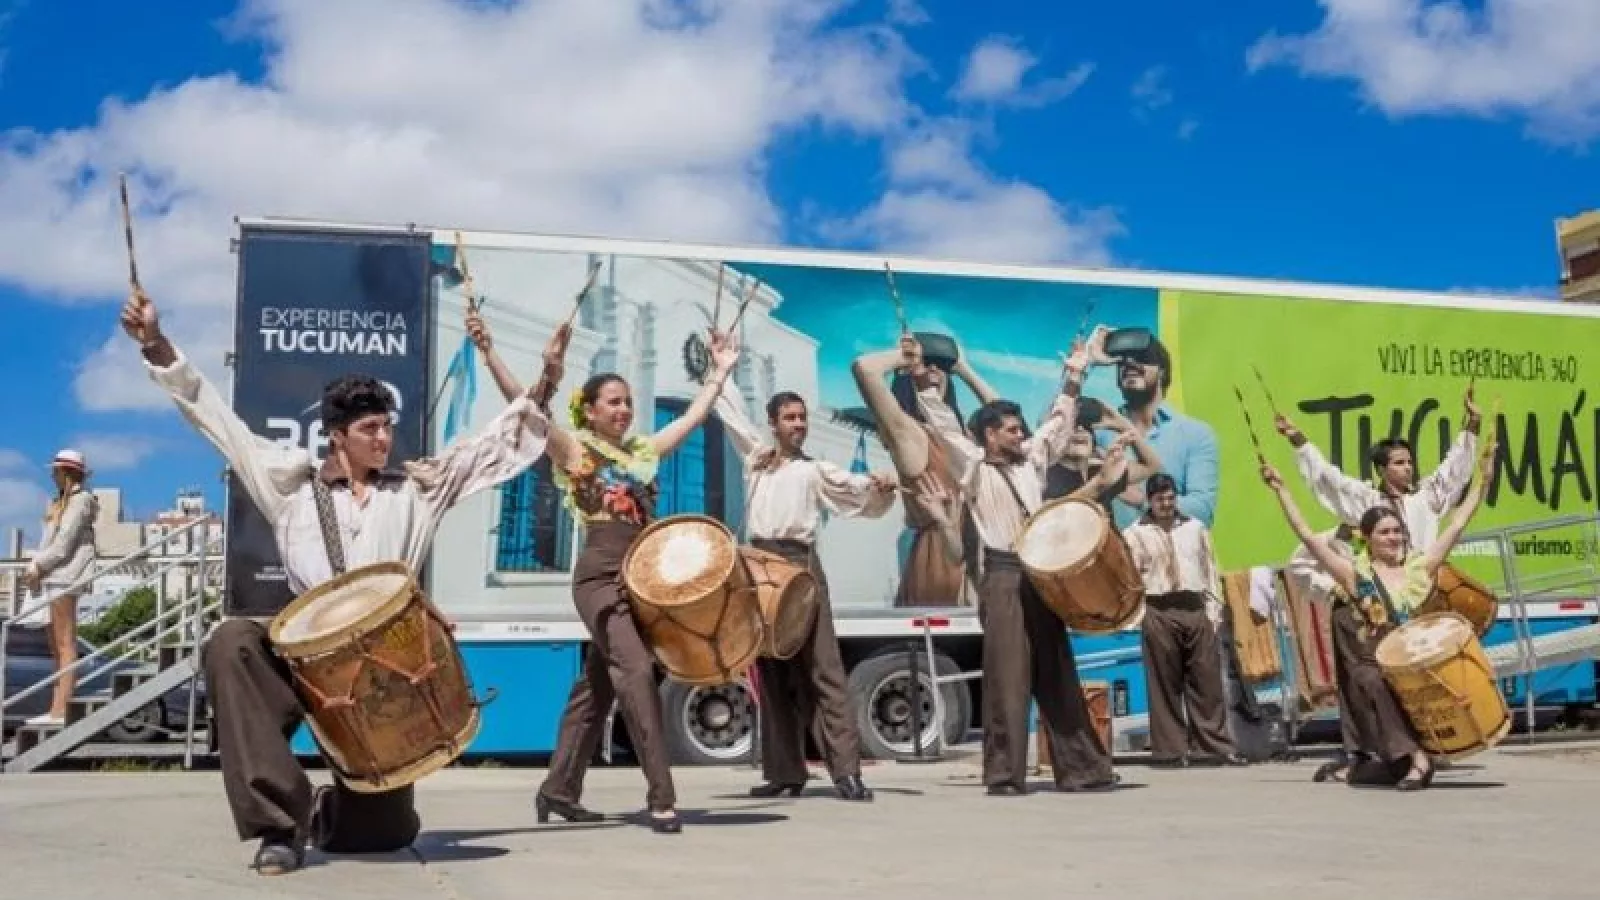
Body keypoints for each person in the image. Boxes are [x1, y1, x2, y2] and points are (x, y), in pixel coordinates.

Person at [124, 288, 556, 876]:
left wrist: (546, 382)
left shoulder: (416, 490)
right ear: (337, 435)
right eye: (370, 428)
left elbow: (495, 446)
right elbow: (217, 420)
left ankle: (331, 811)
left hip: (378, 679)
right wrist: (156, 344)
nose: (384, 438)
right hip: (302, 662)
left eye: (387, 427)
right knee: (231, 643)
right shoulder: (291, 488)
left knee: (384, 834)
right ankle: (278, 824)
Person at [466, 309, 741, 834]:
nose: (624, 409)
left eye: (628, 402)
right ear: (589, 412)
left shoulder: (644, 453)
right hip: (600, 578)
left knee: (596, 689)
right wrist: (489, 351)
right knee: (635, 672)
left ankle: (558, 789)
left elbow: (690, 419)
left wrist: (720, 371)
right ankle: (662, 796)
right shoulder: (575, 450)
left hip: (643, 582)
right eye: (613, 402)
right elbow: (525, 408)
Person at [914, 337, 1117, 795]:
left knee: (1058, 671)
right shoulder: (974, 467)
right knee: (1007, 677)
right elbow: (944, 426)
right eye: (1010, 430)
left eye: (1020, 429)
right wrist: (923, 381)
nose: (1020, 435)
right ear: (989, 435)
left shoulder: (1032, 462)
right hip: (1003, 576)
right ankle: (1005, 775)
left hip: (1041, 574)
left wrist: (1075, 373)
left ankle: (1083, 769)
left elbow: (1058, 422)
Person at [1258, 440, 1494, 791]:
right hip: (1374, 660)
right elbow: (1307, 535)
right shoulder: (1356, 577)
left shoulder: (1418, 569)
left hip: (1411, 657)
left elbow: (1457, 524)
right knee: (1373, 680)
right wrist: (1281, 490)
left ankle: (1405, 757)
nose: (1393, 538)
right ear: (1367, 539)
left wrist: (1483, 482)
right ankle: (1415, 757)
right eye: (1384, 533)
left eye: (1397, 531)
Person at [711, 380, 898, 802]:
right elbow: (733, 415)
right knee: (772, 673)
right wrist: (721, 371)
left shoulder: (815, 470)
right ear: (773, 424)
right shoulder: (758, 461)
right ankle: (784, 773)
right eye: (790, 418)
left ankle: (846, 772)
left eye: (802, 418)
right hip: (760, 567)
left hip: (800, 567)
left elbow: (855, 490)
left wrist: (880, 487)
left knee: (823, 668)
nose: (798, 424)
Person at [851, 332, 998, 609]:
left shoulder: (962, 438)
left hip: (978, 551)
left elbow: (1004, 419)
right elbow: (865, 369)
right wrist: (905, 358)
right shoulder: (910, 433)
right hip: (942, 557)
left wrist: (963, 369)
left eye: (940, 366)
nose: (933, 369)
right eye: (926, 363)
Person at [1121, 474, 1247, 768]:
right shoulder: (1134, 534)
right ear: (1149, 501)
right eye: (1160, 499)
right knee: (1163, 683)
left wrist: (1213, 613)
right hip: (1158, 608)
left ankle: (1213, 748)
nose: (1166, 504)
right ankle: (1170, 751)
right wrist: (1139, 616)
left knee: (1206, 681)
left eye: (1170, 498)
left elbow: (1210, 569)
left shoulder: (1195, 528)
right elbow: (1129, 579)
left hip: (1194, 606)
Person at [1274, 382, 1481, 555]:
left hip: (1423, 581)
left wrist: (1473, 422)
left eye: (1409, 462)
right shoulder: (1368, 501)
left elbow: (1454, 468)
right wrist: (1297, 438)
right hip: (1385, 585)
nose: (1408, 468)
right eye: (1399, 463)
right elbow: (1328, 478)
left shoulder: (1427, 497)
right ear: (1382, 470)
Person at [1086, 328, 1219, 529]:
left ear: (1162, 371)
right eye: (1122, 361)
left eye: (1142, 357)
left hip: (1168, 547)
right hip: (1110, 547)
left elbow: (1202, 511)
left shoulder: (1195, 434)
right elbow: (1049, 434)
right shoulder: (1099, 430)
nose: (1130, 363)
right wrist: (1084, 363)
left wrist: (1143, 500)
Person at [20, 449, 100, 726]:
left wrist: (38, 565)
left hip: (66, 576)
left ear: (67, 472)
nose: (53, 476)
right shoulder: (62, 501)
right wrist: (38, 566)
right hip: (54, 575)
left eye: (56, 471)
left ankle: (61, 710)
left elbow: (64, 544)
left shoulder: (81, 501)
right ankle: (57, 708)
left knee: (64, 643)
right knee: (56, 645)